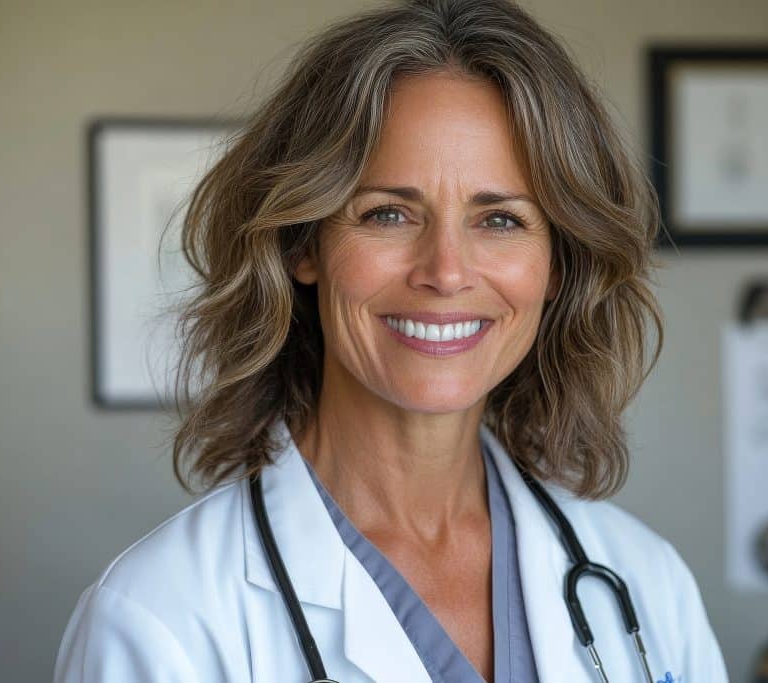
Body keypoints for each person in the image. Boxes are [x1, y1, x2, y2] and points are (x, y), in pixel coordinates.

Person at [53, 0, 728, 681]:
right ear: (303, 244)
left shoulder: (645, 580)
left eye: (498, 219)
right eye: (388, 213)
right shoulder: (162, 619)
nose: (446, 271)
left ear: (557, 265)